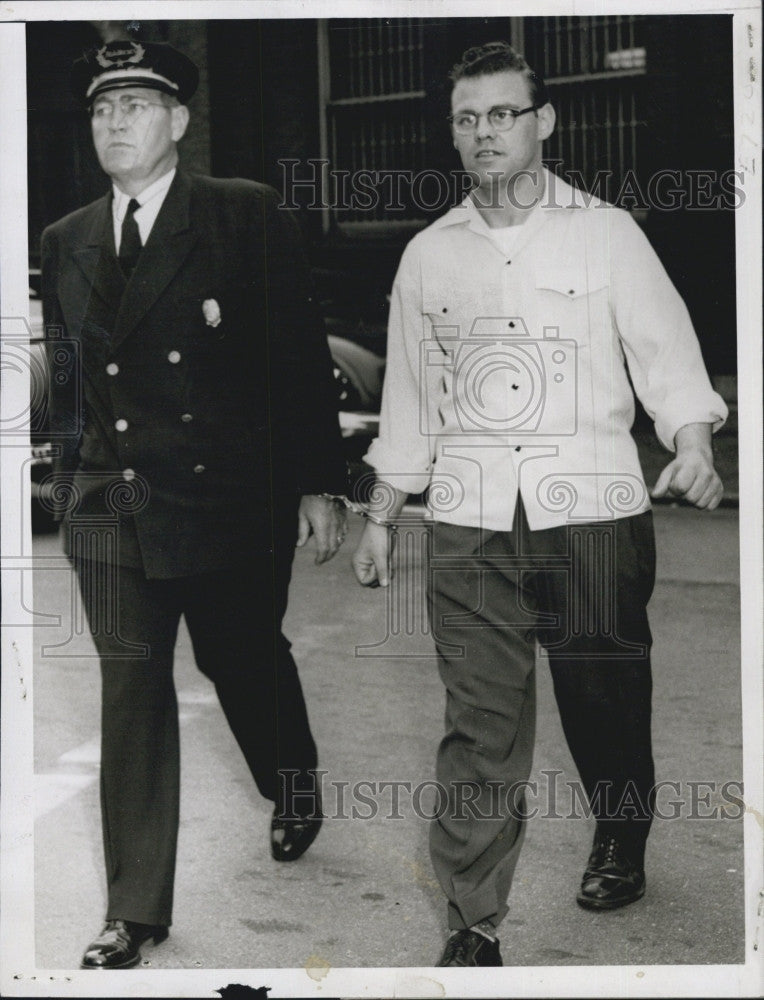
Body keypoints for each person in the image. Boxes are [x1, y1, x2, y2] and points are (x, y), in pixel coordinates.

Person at [352, 41, 727, 967]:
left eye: (503, 114)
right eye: (468, 119)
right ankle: (473, 921)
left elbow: (666, 354)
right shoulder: (428, 255)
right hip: (471, 515)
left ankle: (620, 829)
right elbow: (409, 396)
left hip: (591, 503)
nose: (485, 134)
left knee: (603, 697)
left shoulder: (606, 233)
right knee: (479, 721)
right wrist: (381, 509)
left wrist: (693, 439)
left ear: (543, 121)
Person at [41, 39, 348, 970]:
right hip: (114, 509)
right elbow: (69, 381)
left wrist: (320, 483)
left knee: (241, 658)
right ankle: (134, 910)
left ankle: (292, 781)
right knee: (131, 692)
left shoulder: (242, 216)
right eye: (103, 108)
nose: (116, 122)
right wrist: (67, 483)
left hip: (225, 502)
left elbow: (298, 360)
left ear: (178, 120)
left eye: (137, 104)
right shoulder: (67, 240)